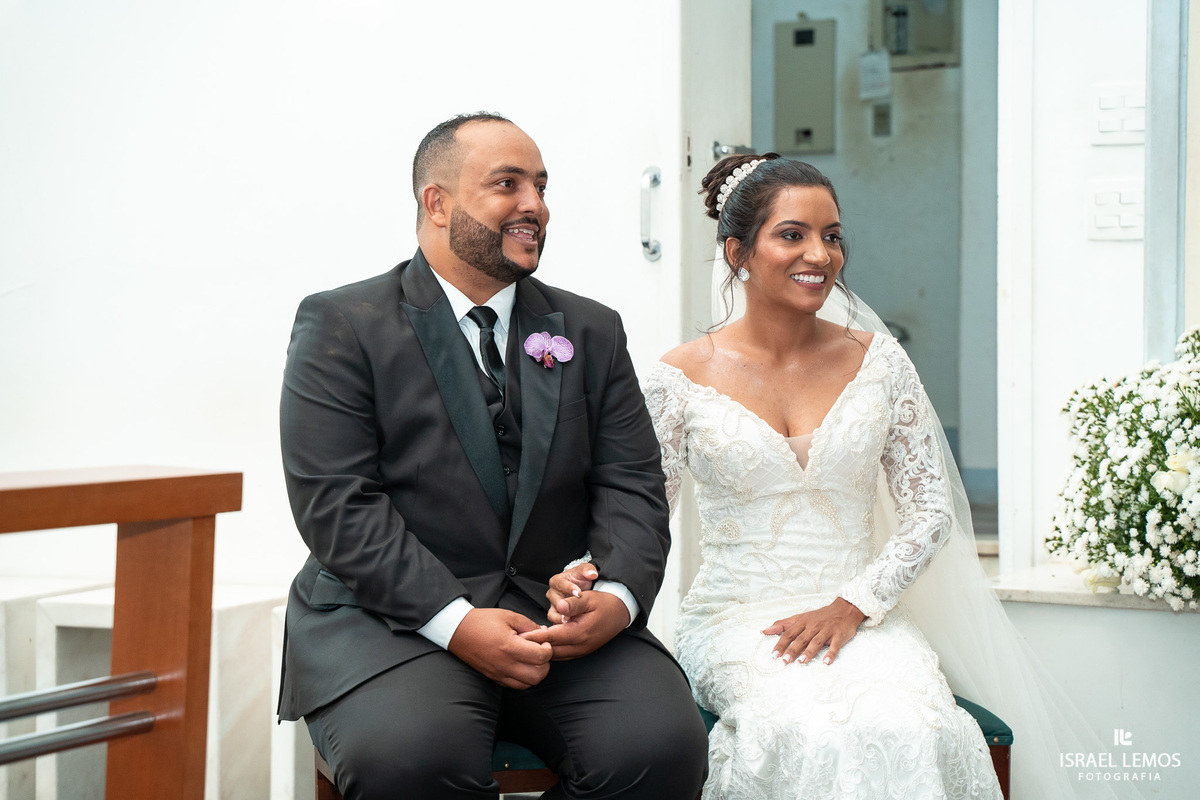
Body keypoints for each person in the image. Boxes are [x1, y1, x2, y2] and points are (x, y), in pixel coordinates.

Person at [549, 154, 1145, 799]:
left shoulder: (878, 360)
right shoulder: (679, 376)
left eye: (832, 235)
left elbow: (930, 508)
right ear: (736, 252)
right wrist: (589, 573)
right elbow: (642, 511)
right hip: (740, 619)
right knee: (808, 732)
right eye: (792, 234)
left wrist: (853, 604)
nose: (820, 254)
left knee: (914, 725)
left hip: (864, 615)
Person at [276, 112, 708, 800]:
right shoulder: (344, 324)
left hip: (559, 620)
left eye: (540, 185)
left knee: (661, 750)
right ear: (437, 202)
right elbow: (336, 503)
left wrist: (618, 598)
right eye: (507, 184)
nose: (534, 205)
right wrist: (455, 620)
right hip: (394, 622)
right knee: (409, 760)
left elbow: (631, 484)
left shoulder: (591, 329)